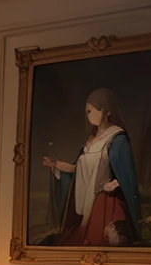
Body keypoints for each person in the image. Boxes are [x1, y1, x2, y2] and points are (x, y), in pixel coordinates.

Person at [42, 88, 141, 247]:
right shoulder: (90, 142)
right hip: (87, 204)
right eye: (87, 112)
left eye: (91, 110)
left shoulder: (117, 138)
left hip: (105, 204)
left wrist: (115, 184)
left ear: (106, 111)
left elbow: (127, 177)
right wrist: (55, 165)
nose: (88, 115)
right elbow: (76, 170)